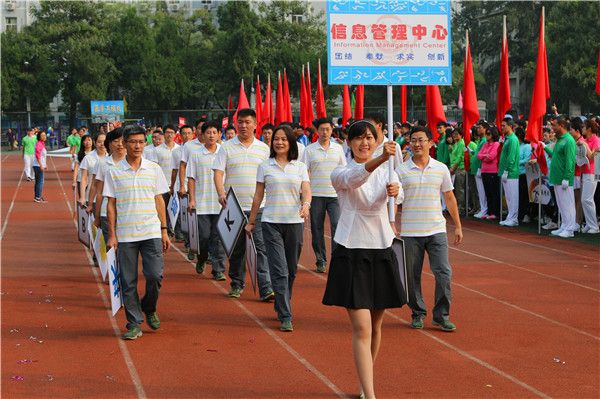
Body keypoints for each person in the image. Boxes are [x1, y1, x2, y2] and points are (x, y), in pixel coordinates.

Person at [322, 120, 404, 399]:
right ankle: (370, 395)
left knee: (377, 325)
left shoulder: (390, 169)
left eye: (370, 137)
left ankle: (363, 383)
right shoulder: (341, 171)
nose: (364, 142)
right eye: (358, 138)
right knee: (361, 326)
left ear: (377, 138)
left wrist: (396, 192)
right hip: (351, 248)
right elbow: (356, 178)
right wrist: (382, 157)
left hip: (380, 247)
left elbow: (398, 190)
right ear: (349, 142)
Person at [103, 124, 171, 340]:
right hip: (126, 234)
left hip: (151, 231)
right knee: (128, 281)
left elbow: (159, 200)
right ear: (124, 143)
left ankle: (149, 306)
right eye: (133, 141)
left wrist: (164, 230)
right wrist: (112, 235)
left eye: (141, 142)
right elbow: (111, 205)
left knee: (155, 275)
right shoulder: (113, 171)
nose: (138, 146)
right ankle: (134, 323)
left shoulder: (154, 169)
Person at [396, 125, 462, 333]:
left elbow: (449, 198)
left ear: (430, 143)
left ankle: (441, 316)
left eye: (421, 140)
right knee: (411, 275)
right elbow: (395, 202)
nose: (416, 144)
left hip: (436, 230)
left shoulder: (441, 168)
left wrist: (457, 226)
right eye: (413, 140)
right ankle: (417, 312)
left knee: (443, 272)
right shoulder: (401, 170)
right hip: (411, 232)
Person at [246, 125, 311, 332]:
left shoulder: (299, 167)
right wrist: (252, 220)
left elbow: (307, 191)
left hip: (294, 224)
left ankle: (283, 300)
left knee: (291, 270)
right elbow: (258, 195)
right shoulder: (265, 166)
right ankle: (285, 314)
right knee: (279, 270)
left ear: (291, 142)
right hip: (271, 222)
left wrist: (306, 205)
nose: (279, 142)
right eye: (276, 139)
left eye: (284, 139)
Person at [212, 108, 274, 300]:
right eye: (240, 122)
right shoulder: (226, 148)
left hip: (259, 207)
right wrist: (221, 193)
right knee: (237, 249)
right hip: (233, 207)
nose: (243, 125)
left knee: (261, 248)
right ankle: (237, 284)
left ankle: (266, 288)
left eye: (247, 122)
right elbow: (218, 173)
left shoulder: (264, 149)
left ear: (256, 124)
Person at [302, 117, 346, 273]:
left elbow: (343, 170)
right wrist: (305, 194)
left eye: (328, 129)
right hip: (316, 195)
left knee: (337, 225)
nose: (325, 132)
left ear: (332, 130)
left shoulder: (338, 149)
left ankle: (337, 257)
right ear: (317, 131)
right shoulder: (309, 150)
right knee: (317, 228)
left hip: (334, 195)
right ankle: (320, 259)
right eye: (322, 129)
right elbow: (304, 172)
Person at [187, 121, 226, 280]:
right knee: (204, 237)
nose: (211, 135)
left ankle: (218, 270)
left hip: (220, 204)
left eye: (214, 132)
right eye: (208, 132)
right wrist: (192, 199)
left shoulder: (224, 153)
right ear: (203, 135)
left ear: (219, 134)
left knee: (218, 238)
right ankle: (202, 258)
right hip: (202, 204)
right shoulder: (196, 154)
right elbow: (191, 178)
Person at [545, 117, 577, 238]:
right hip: (556, 177)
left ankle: (570, 229)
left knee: (568, 204)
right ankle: (564, 225)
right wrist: (544, 147)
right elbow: (555, 156)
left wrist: (567, 177)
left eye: (554, 125)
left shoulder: (569, 140)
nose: (552, 128)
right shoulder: (560, 140)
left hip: (564, 178)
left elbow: (570, 161)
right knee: (561, 204)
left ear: (562, 125)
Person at [93, 128, 126, 240]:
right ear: (109, 144)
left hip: (126, 213)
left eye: (122, 141)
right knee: (111, 248)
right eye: (116, 141)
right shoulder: (103, 163)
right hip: (105, 213)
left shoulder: (133, 162)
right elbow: (99, 192)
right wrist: (97, 216)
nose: (120, 144)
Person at [170, 124, 193, 241]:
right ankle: (183, 235)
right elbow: (174, 170)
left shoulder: (197, 149)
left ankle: (190, 239)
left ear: (193, 134)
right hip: (181, 186)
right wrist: (173, 186)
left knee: (192, 213)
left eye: (189, 133)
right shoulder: (176, 152)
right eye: (184, 133)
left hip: (194, 186)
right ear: (180, 135)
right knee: (182, 211)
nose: (187, 136)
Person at [498, 118, 520, 226]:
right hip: (505, 171)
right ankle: (510, 217)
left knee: (512, 196)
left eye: (504, 125)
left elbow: (511, 157)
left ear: (510, 126)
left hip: (511, 173)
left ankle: (514, 218)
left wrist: (506, 170)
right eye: (501, 125)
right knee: (508, 197)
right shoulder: (507, 139)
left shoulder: (513, 139)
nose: (502, 127)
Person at [580, 119, 600, 233]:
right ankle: (589, 223)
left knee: (587, 199)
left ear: (589, 129)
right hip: (585, 171)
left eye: (584, 127)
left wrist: (585, 145)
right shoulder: (585, 139)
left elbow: (592, 157)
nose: (582, 129)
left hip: (593, 172)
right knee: (585, 200)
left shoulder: (596, 140)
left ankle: (594, 226)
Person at [478, 126, 501, 219]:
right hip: (484, 171)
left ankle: (495, 212)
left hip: (493, 171)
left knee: (493, 192)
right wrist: (485, 156)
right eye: (486, 133)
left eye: (488, 134)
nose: (487, 136)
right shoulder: (485, 144)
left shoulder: (496, 144)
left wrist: (484, 156)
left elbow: (491, 156)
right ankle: (489, 211)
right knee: (487, 192)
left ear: (493, 134)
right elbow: (478, 155)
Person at [79, 133, 108, 209]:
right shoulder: (88, 158)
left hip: (108, 198)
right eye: (99, 142)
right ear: (95, 143)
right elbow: (84, 179)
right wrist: (82, 197)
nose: (102, 144)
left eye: (104, 141)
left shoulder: (111, 157)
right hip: (92, 198)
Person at [471, 122, 489, 219]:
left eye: (480, 127)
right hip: (477, 168)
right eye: (477, 127)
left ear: (485, 129)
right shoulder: (481, 140)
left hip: (480, 168)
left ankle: (484, 209)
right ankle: (483, 209)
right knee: (480, 191)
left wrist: (480, 168)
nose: (478, 129)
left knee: (482, 191)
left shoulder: (485, 140)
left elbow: (483, 155)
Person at [516, 128, 533, 223]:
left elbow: (527, 160)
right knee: (519, 195)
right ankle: (520, 213)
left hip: (524, 174)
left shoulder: (527, 146)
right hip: (516, 174)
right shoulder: (517, 146)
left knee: (525, 195)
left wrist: (516, 162)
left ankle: (526, 214)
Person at [449, 128, 467, 214]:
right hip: (454, 168)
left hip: (460, 168)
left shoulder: (461, 143)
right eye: (453, 134)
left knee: (460, 189)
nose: (454, 135)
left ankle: (461, 207)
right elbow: (453, 156)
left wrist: (453, 168)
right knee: (455, 188)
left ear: (461, 134)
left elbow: (460, 157)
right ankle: (457, 206)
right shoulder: (456, 143)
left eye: (456, 134)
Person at [72, 134, 93, 203]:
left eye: (89, 140)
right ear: (82, 142)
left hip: (92, 180)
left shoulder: (96, 154)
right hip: (81, 180)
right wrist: (74, 181)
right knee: (83, 200)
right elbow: (76, 168)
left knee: (92, 199)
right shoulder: (79, 154)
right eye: (85, 140)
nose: (87, 142)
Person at [33, 130, 48, 203]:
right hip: (38, 166)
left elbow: (42, 156)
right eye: (42, 135)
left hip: (38, 165)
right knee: (40, 182)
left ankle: (37, 196)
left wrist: (45, 164)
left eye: (45, 135)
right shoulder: (39, 144)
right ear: (39, 137)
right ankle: (38, 197)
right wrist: (41, 165)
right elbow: (38, 156)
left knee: (38, 182)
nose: (44, 137)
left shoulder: (41, 143)